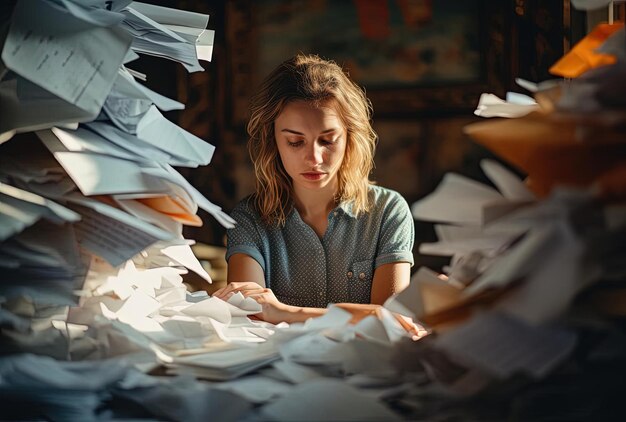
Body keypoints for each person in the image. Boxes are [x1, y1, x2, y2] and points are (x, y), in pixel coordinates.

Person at [213, 53, 415, 327]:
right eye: (296, 142)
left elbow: (395, 322)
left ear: (350, 138)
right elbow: (250, 316)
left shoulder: (388, 211)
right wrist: (359, 317)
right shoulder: (250, 219)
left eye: (328, 140)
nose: (314, 159)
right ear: (274, 142)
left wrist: (287, 313)